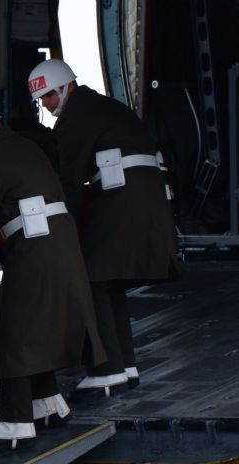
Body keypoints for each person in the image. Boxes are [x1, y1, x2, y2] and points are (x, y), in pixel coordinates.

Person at [0, 100, 104, 450]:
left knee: (14, 332)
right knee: (36, 326)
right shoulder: (25, 146)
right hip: (59, 246)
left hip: (33, 252)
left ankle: (15, 421)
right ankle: (48, 401)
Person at [28, 60, 179, 396]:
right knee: (107, 282)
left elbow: (68, 179)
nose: (48, 105)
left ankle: (107, 369)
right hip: (140, 198)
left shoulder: (75, 119)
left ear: (65, 88)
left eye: (49, 96)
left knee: (94, 280)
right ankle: (124, 365)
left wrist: (58, 224)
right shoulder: (103, 106)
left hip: (121, 201)